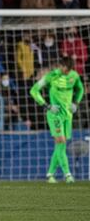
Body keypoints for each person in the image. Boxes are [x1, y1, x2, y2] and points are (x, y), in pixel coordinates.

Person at [30, 56, 84, 184]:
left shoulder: (74, 76)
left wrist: (76, 103)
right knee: (61, 141)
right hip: (54, 114)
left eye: (69, 69)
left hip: (68, 115)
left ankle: (50, 174)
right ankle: (68, 175)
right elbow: (33, 90)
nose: (66, 71)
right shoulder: (51, 76)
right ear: (61, 65)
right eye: (65, 68)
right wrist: (46, 106)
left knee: (61, 145)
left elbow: (81, 89)